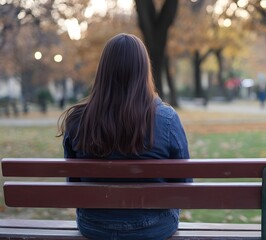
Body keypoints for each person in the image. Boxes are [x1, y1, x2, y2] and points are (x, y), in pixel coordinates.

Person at [57, 33, 191, 240]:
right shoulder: (167, 119)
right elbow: (183, 183)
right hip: (153, 226)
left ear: (104, 71)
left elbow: (73, 182)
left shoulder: (77, 119)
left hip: (94, 225)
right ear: (144, 70)